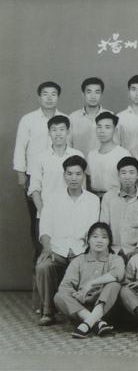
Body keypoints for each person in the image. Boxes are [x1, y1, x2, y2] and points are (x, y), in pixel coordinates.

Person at [14, 81, 68, 309]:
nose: (49, 98)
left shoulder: (64, 120)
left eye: (53, 94)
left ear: (58, 98)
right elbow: (20, 147)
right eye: (45, 94)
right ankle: (40, 299)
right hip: (35, 180)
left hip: (61, 183)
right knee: (40, 235)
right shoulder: (28, 120)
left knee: (63, 235)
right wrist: (21, 175)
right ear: (39, 97)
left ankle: (62, 294)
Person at [36, 155, 100, 326]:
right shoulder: (52, 198)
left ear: (83, 176)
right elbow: (45, 228)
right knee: (43, 266)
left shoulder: (92, 200)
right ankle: (48, 311)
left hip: (81, 251)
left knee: (89, 267)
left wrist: (85, 255)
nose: (73, 178)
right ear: (64, 175)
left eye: (78, 174)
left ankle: (77, 311)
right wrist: (47, 249)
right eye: (69, 174)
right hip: (56, 250)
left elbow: (92, 231)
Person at [54, 222, 125, 338]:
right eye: (95, 236)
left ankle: (87, 324)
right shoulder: (79, 261)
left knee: (114, 285)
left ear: (109, 241)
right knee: (59, 296)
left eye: (104, 237)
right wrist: (77, 295)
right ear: (88, 239)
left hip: (105, 307)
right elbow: (65, 285)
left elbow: (118, 274)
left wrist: (91, 284)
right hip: (81, 307)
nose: (99, 241)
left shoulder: (115, 259)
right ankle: (97, 322)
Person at [100, 157, 138, 262]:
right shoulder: (108, 197)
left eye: (131, 172)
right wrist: (110, 249)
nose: (127, 177)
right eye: (123, 173)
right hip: (112, 251)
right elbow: (104, 225)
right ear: (118, 175)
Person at [29, 115, 84, 219]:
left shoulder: (78, 155)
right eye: (54, 130)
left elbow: (83, 186)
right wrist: (43, 212)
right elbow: (35, 188)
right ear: (49, 133)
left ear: (68, 132)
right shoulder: (40, 157)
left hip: (73, 211)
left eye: (62, 129)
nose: (58, 134)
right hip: (48, 210)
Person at [87, 112, 131, 198]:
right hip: (94, 198)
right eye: (99, 127)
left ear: (115, 130)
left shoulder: (123, 154)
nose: (102, 131)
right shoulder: (91, 154)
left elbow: (128, 183)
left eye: (107, 127)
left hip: (116, 198)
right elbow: (88, 182)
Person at [69, 77, 111, 157]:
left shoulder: (110, 117)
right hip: (79, 163)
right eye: (89, 92)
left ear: (102, 95)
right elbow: (68, 145)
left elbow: (116, 144)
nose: (93, 96)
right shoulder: (73, 118)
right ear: (83, 95)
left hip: (104, 162)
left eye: (97, 92)